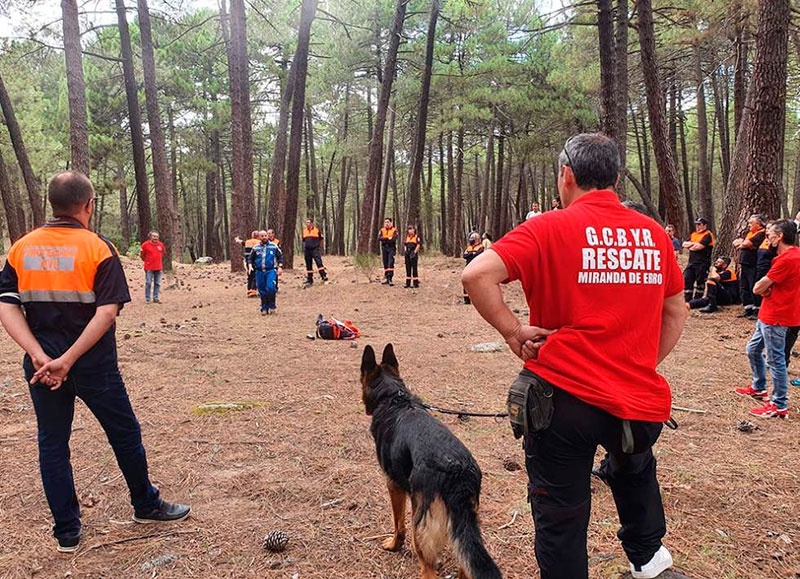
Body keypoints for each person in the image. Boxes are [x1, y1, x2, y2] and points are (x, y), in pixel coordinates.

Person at [462, 133, 687, 579]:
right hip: (637, 400)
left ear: (566, 175)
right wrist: (639, 362)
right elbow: (675, 309)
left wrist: (512, 331)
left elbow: (476, 274)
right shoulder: (653, 235)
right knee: (636, 471)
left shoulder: (548, 227)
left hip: (561, 400)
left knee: (561, 511)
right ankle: (649, 563)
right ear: (616, 178)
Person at [0, 172, 190, 554]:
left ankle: (67, 531)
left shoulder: (21, 248)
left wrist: (40, 356)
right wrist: (68, 360)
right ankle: (145, 504)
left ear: (51, 204)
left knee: (52, 444)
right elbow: (106, 314)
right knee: (124, 433)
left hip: (42, 369)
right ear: (88, 205)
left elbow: (7, 306)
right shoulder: (98, 248)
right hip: (94, 366)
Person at [735, 219, 800, 419]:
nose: (767, 237)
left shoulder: (787, 259)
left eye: (770, 233)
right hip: (768, 313)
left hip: (777, 316)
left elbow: (758, 287)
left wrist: (765, 288)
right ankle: (759, 387)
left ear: (780, 236)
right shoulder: (792, 255)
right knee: (753, 349)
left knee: (775, 359)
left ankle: (778, 404)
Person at [732, 214, 766, 318]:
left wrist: (742, 244)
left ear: (758, 224)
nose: (749, 225)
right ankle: (748, 308)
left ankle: (757, 310)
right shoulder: (751, 233)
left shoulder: (761, 233)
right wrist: (743, 243)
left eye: (751, 223)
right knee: (744, 287)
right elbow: (737, 243)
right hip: (745, 264)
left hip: (753, 264)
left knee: (753, 286)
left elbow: (746, 244)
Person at [249, 230, 283, 315]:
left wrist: (280, 267)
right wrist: (250, 266)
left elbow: (280, 257)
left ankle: (272, 306)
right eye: (262, 236)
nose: (264, 237)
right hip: (259, 271)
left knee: (270, 287)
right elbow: (250, 258)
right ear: (259, 237)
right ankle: (264, 307)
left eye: (265, 235)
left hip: (271, 270)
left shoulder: (274, 246)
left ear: (267, 236)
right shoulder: (255, 248)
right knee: (262, 290)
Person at [682, 217, 714, 302]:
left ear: (705, 225)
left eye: (699, 224)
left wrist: (692, 246)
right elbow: (684, 244)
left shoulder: (708, 235)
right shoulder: (694, 234)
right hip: (691, 262)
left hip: (702, 263)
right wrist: (693, 244)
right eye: (696, 224)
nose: (697, 226)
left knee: (700, 282)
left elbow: (699, 247)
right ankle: (687, 298)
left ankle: (697, 300)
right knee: (687, 279)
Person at [301, 218, 328, 286]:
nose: (307, 224)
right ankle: (310, 279)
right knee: (308, 264)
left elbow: (321, 239)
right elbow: (304, 240)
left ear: (312, 223)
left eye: (309, 222)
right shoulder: (304, 231)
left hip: (315, 249)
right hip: (307, 250)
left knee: (318, 262)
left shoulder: (316, 230)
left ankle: (323, 276)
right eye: (306, 223)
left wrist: (319, 247)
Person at [140, 231, 165, 303]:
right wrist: (147, 261)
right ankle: (148, 298)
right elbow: (142, 255)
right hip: (149, 268)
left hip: (158, 267)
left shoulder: (161, 245)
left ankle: (156, 298)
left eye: (157, 237)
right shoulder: (145, 245)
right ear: (150, 237)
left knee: (157, 283)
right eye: (154, 236)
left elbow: (162, 253)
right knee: (148, 282)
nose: (155, 238)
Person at [234, 231, 261, 298]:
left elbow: (241, 242)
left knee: (250, 276)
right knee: (255, 276)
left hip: (247, 261)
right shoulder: (259, 242)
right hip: (255, 261)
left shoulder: (247, 242)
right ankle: (253, 291)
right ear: (258, 236)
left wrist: (237, 240)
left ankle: (249, 290)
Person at [462, 232, 484, 305]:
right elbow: (465, 255)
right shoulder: (469, 247)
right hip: (468, 267)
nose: (471, 241)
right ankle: (466, 300)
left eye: (473, 239)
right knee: (466, 282)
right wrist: (472, 253)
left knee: (477, 283)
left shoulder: (481, 247)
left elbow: (478, 254)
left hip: (476, 267)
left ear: (477, 240)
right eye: (471, 239)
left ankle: (478, 299)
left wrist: (471, 254)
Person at [378, 217, 398, 286]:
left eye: (388, 222)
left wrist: (386, 239)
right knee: (385, 262)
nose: (386, 223)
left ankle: (390, 278)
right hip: (384, 248)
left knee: (390, 262)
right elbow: (379, 238)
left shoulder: (394, 230)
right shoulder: (382, 230)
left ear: (391, 223)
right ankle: (386, 277)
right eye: (385, 222)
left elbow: (394, 239)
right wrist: (387, 238)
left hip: (391, 248)